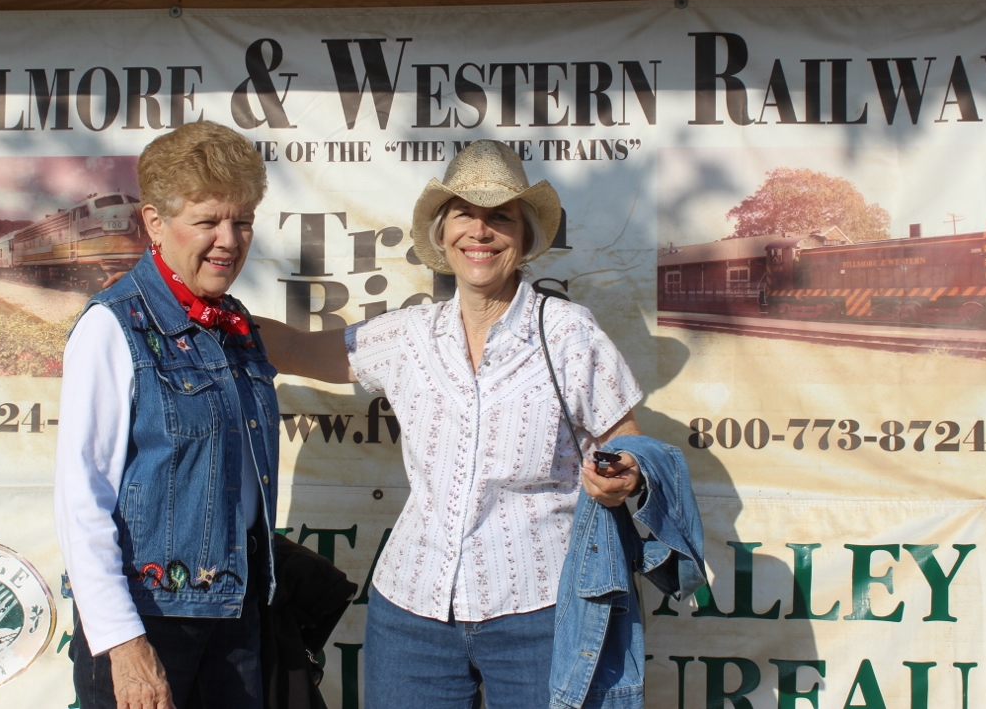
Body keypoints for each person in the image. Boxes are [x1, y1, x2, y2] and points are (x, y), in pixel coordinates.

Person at [255, 140, 644, 709]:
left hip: (540, 609)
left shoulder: (569, 333)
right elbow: (290, 347)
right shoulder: (409, 335)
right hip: (413, 612)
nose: (479, 232)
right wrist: (193, 310)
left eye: (499, 217)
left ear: (525, 237)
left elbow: (625, 443)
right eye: (464, 213)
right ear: (442, 234)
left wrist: (622, 474)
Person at [55, 122, 279, 709]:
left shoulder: (235, 325)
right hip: (149, 625)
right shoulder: (112, 326)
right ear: (155, 223)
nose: (229, 239)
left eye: (243, 221)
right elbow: (83, 497)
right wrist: (124, 645)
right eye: (207, 221)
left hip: (234, 619)